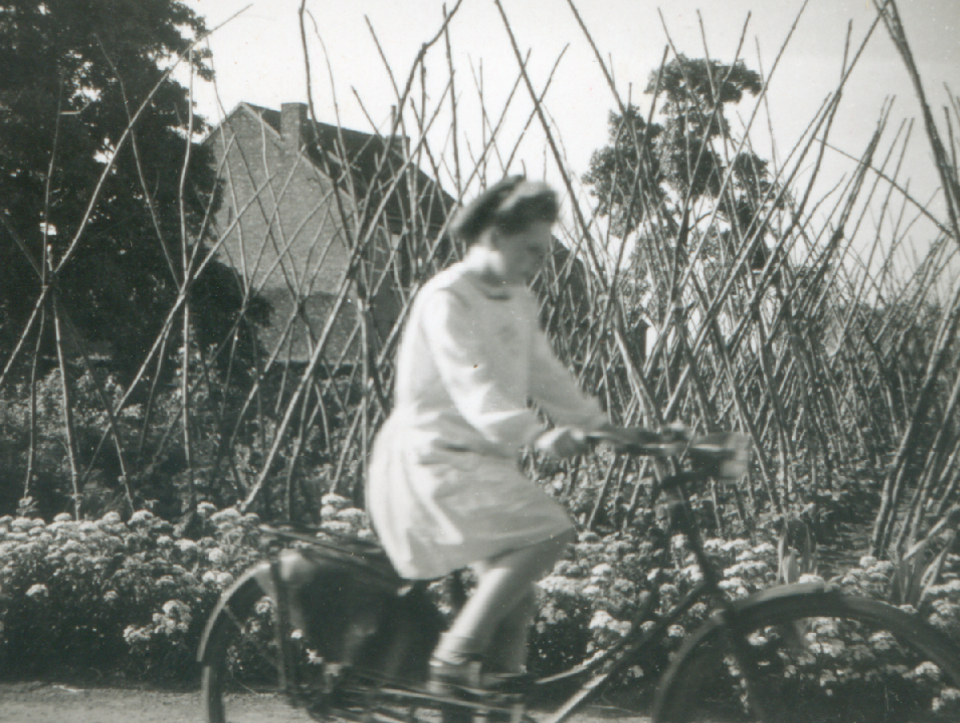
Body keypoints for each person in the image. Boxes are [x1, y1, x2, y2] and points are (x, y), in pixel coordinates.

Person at [366, 175, 632, 694]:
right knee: (551, 530)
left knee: (515, 602)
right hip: (433, 463)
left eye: (543, 251)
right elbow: (473, 381)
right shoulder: (447, 298)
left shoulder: (518, 301)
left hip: (481, 466)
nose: (538, 261)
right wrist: (536, 435)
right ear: (492, 235)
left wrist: (599, 426)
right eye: (529, 248)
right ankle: (453, 657)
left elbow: (545, 373)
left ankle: (497, 703)